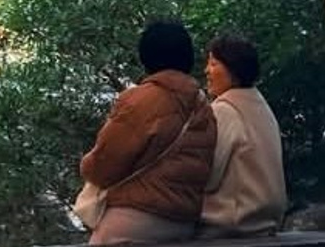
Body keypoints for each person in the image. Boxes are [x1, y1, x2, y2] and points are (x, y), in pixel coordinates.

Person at [79, 19, 216, 245]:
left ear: (147, 55)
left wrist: (85, 163)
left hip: (135, 221)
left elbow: (102, 167)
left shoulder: (140, 100)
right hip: (184, 222)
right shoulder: (203, 107)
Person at [199, 34, 287, 238]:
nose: (206, 71)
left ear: (233, 70)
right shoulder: (261, 106)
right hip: (265, 220)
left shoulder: (224, 109)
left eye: (213, 64)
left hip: (231, 222)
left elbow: (208, 176)